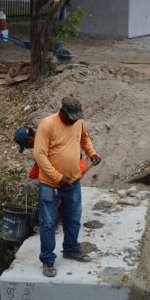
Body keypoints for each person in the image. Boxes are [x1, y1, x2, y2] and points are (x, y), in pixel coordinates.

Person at [34, 96, 101, 277]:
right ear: (62, 112)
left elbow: (85, 139)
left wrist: (92, 153)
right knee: (48, 223)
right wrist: (57, 177)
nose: (73, 120)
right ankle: (48, 259)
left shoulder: (78, 121)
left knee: (73, 218)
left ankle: (71, 249)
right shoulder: (47, 125)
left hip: (73, 182)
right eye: (70, 117)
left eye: (76, 117)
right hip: (50, 185)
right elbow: (39, 155)